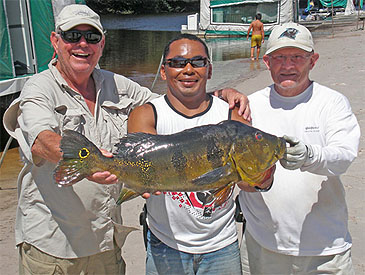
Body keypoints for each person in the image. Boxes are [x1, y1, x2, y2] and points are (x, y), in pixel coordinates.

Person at [2, 5, 251, 274]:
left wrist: (216, 93)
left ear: (102, 43)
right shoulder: (39, 88)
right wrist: (88, 165)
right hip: (53, 246)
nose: (82, 44)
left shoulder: (117, 85)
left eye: (92, 37)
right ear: (55, 40)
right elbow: (42, 140)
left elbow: (171, 105)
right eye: (72, 36)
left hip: (106, 241)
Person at [127, 33, 274, 275]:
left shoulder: (231, 115)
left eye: (198, 62)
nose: (188, 69)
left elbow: (251, 182)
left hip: (221, 245)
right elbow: (141, 164)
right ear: (163, 71)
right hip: (165, 243)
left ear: (209, 69)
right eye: (177, 63)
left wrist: (262, 177)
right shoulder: (147, 114)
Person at [238, 22, 360, 274]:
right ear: (267, 62)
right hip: (262, 245)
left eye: (297, 57)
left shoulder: (332, 102)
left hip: (325, 249)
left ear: (312, 61)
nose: (288, 66)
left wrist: (310, 155)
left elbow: (344, 157)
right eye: (279, 57)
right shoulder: (250, 105)